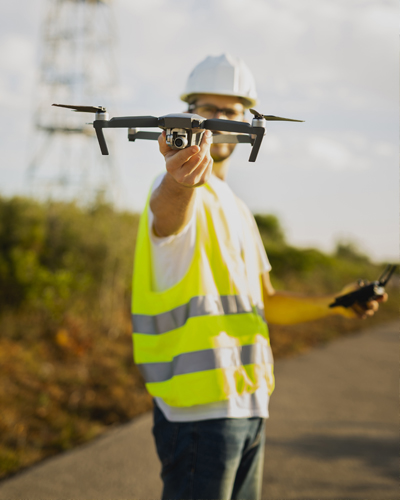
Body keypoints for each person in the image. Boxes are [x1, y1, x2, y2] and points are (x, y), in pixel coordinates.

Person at [131, 54, 386, 500]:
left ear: (246, 118)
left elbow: (265, 301)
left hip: (249, 407)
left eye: (230, 111)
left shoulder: (237, 208)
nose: (217, 120)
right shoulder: (176, 187)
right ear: (189, 113)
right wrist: (179, 182)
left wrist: (337, 302)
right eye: (207, 109)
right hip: (197, 415)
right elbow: (167, 216)